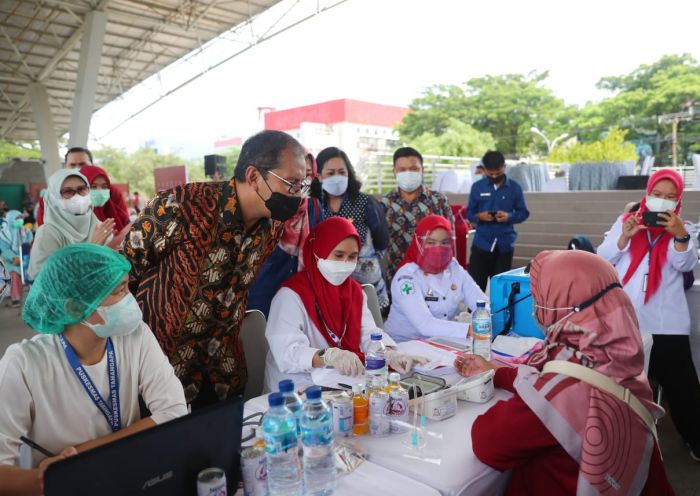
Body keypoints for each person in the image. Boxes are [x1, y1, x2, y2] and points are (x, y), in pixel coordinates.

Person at [456, 250, 673, 494]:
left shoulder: (568, 386)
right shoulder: (616, 353)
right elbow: (546, 377)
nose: (536, 307)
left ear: (565, 304)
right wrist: (497, 372)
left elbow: (488, 442)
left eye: (539, 298)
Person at [123, 130, 308, 408]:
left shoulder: (272, 227)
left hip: (223, 373)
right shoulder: (180, 205)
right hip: (161, 373)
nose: (298, 194)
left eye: (302, 184)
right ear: (254, 176)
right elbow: (123, 272)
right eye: (291, 183)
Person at [0, 244, 187, 495]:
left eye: (127, 286)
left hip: (135, 478)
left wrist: (80, 458)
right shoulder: (24, 365)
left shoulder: (135, 336)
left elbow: (174, 411)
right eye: (119, 291)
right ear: (75, 308)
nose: (130, 299)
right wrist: (47, 481)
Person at [597, 168, 700, 461]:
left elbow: (684, 263)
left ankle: (695, 438)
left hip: (667, 322)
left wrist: (679, 235)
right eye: (657, 195)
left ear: (678, 201)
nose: (662, 201)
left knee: (682, 389)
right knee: (618, 385)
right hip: (626, 321)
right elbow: (601, 259)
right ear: (647, 194)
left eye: (670, 197)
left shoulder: (684, 227)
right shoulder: (625, 222)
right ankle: (614, 441)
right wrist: (624, 238)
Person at [264, 217, 427, 390]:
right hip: (295, 389)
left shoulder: (355, 293)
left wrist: (388, 354)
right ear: (318, 251)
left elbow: (368, 334)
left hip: (339, 384)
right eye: (338, 255)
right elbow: (287, 352)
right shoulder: (290, 296)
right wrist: (327, 356)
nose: (345, 263)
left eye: (352, 257)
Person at [308, 147, 390, 307]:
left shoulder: (365, 202)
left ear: (348, 174)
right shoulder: (314, 205)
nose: (337, 177)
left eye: (341, 172)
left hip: (364, 279)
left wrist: (364, 260)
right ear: (318, 176)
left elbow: (382, 240)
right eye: (330, 173)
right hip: (327, 281)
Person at [384, 215, 486, 343]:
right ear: (419, 243)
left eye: (444, 243)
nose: (438, 248)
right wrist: (468, 330)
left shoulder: (454, 268)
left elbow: (482, 303)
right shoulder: (406, 277)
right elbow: (425, 324)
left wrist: (487, 319)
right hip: (404, 344)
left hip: (441, 342)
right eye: (430, 243)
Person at [247, 151, 319, 317]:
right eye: (294, 176)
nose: (301, 183)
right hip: (261, 302)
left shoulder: (313, 207)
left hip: (300, 299)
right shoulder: (264, 208)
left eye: (307, 175)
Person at [381, 147, 454, 285]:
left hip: (434, 279)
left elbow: (450, 240)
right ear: (394, 172)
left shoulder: (438, 200)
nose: (408, 173)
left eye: (414, 169)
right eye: (402, 170)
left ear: (422, 171)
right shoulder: (385, 203)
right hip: (398, 279)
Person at [28, 169, 114, 279]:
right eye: (67, 192)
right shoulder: (48, 233)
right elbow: (44, 279)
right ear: (54, 198)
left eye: (81, 189)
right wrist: (91, 248)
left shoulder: (98, 226)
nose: (77, 196)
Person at [466, 150, 529, 291]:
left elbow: (523, 213)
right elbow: (469, 212)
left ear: (504, 167)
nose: (494, 176)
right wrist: (479, 216)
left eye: (497, 173)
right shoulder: (477, 187)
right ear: (485, 170)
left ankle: (499, 313)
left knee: (501, 289)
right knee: (475, 287)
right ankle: (475, 313)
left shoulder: (515, 188)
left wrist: (509, 217)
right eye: (491, 173)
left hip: (504, 245)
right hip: (481, 244)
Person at [36, 147, 95, 226]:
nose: (78, 168)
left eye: (82, 164)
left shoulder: (105, 193)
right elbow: (43, 227)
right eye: (72, 165)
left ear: (92, 165)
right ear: (66, 167)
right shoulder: (50, 197)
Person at [80, 165, 131, 248]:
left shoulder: (119, 214)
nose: (100, 191)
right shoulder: (76, 220)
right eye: (93, 187)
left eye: (104, 187)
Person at [0, 210, 32, 307]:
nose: (20, 220)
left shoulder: (24, 231)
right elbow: (4, 250)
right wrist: (14, 258)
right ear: (10, 220)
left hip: (25, 259)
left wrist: (26, 256)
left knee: (33, 273)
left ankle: (33, 298)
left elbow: (29, 243)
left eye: (21, 218)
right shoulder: (3, 234)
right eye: (17, 218)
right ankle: (15, 298)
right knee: (14, 274)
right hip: (10, 262)